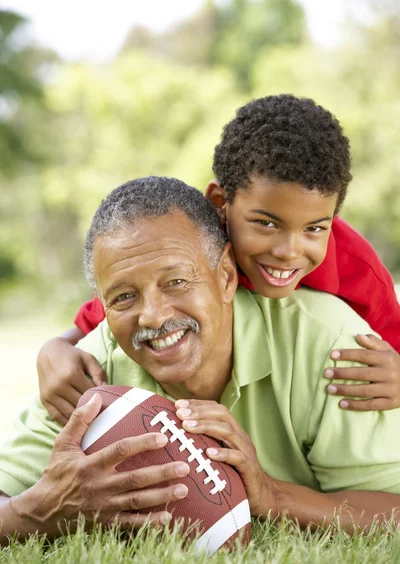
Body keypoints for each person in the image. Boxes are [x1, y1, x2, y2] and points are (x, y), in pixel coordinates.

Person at [1, 176, 400, 545]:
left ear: (226, 276)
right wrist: (38, 511)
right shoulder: (88, 370)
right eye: (124, 297)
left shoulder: (336, 348)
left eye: (175, 282)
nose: (153, 317)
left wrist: (274, 496)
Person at [37, 95, 400, 426]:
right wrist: (56, 347)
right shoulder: (199, 245)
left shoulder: (358, 269)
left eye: (314, 228)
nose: (289, 250)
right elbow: (122, 305)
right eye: (266, 223)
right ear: (219, 202)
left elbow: (391, 340)